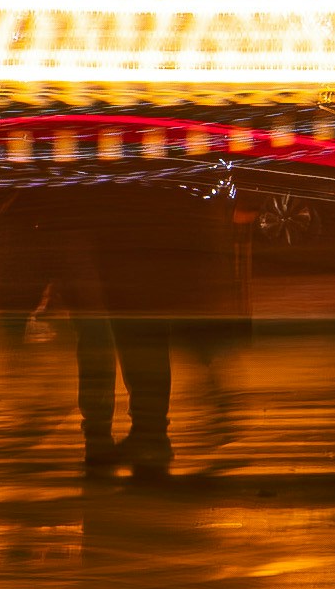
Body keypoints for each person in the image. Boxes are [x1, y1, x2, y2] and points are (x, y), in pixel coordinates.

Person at [44, 146, 250, 487]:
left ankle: (126, 437)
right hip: (135, 235)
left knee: (120, 336)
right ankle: (146, 434)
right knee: (137, 335)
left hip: (122, 235)